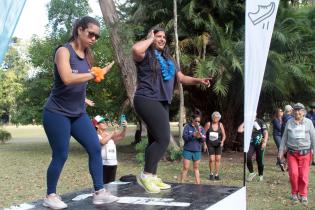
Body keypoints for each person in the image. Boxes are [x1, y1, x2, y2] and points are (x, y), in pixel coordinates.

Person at [42, 16, 118, 209]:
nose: (94, 38)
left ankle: (99, 192)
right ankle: (50, 195)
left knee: (94, 148)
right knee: (61, 154)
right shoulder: (63, 51)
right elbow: (67, 78)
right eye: (91, 34)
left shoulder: (88, 55)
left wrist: (82, 98)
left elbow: (79, 82)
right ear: (79, 30)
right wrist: (95, 74)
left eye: (97, 36)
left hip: (77, 113)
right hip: (56, 113)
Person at [131, 27, 211, 193]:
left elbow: (181, 78)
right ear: (151, 37)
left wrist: (199, 80)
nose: (162, 39)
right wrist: (150, 39)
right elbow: (136, 49)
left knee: (155, 140)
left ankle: (152, 176)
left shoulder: (170, 59)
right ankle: (146, 175)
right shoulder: (145, 55)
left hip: (162, 101)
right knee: (163, 139)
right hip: (146, 99)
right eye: (158, 36)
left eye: (163, 37)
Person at [279, 103, 315, 206]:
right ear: (293, 111)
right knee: (294, 174)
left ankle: (303, 195)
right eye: (295, 110)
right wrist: (281, 152)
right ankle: (294, 194)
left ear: (303, 112)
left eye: (300, 110)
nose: (297, 112)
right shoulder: (289, 122)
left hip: (305, 153)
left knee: (303, 176)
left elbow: (313, 139)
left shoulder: (309, 123)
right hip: (292, 154)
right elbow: (284, 138)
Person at [92, 115, 127, 184]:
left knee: (111, 184)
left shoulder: (108, 134)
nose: (105, 123)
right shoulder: (95, 135)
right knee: (103, 185)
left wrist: (125, 128)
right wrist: (113, 133)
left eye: (105, 121)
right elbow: (102, 142)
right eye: (102, 122)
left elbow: (121, 136)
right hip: (103, 164)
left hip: (113, 163)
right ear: (97, 125)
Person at [239, 117, 268, 182]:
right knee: (247, 157)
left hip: (260, 143)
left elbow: (265, 132)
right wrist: (244, 122)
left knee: (259, 159)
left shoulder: (260, 121)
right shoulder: (248, 122)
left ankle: (261, 175)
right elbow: (240, 130)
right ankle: (251, 173)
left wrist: (265, 142)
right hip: (251, 143)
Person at [180, 112, 206, 184]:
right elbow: (184, 137)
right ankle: (181, 184)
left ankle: (198, 184)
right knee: (186, 168)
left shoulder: (201, 128)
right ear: (193, 120)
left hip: (197, 150)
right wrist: (193, 135)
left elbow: (204, 139)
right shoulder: (187, 127)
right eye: (196, 121)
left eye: (199, 121)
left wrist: (200, 137)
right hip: (187, 150)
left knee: (196, 168)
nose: (197, 123)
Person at [204, 111, 226, 181]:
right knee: (211, 159)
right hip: (210, 144)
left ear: (219, 118)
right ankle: (211, 174)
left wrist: (222, 141)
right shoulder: (208, 124)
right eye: (214, 117)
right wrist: (204, 144)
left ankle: (216, 174)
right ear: (212, 117)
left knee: (218, 159)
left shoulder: (221, 125)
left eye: (217, 117)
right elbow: (203, 135)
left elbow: (224, 135)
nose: (215, 118)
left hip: (218, 145)